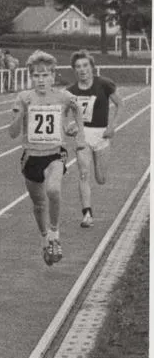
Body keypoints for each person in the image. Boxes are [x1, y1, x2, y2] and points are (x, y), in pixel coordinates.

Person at [8, 50, 84, 265]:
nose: (41, 80)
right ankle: (44, 237)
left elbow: (77, 109)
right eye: (36, 75)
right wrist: (22, 113)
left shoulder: (63, 96)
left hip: (54, 154)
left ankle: (55, 232)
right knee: (39, 204)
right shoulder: (23, 98)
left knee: (53, 190)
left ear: (53, 76)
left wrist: (76, 131)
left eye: (45, 75)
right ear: (31, 77)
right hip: (31, 157)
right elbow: (12, 133)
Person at [66, 50, 121, 228]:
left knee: (101, 178)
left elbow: (120, 104)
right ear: (74, 70)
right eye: (78, 67)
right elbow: (62, 114)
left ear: (91, 67)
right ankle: (87, 214)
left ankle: (99, 166)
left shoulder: (104, 84)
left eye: (85, 66)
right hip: (82, 136)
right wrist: (67, 127)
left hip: (101, 135)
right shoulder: (70, 91)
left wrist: (112, 126)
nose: (82, 70)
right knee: (84, 173)